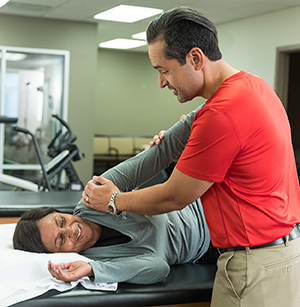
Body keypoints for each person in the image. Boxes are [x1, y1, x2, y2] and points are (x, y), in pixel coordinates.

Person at [82, 6, 300, 307]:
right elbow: (189, 131)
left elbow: (174, 198)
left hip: (254, 266)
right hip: (282, 254)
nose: (161, 82)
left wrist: (113, 201)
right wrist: (177, 140)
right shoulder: (254, 88)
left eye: (164, 70)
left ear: (196, 58)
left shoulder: (221, 114)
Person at [13, 105, 218, 285]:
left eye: (61, 221)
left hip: (206, 201)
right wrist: (95, 270)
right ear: (58, 255)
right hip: (211, 246)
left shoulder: (94, 194)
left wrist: (208, 112)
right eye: (60, 240)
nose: (71, 230)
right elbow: (158, 268)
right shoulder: (98, 260)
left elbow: (158, 155)